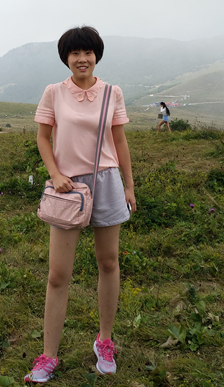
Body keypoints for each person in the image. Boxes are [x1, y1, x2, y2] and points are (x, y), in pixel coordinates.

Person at [25, 26, 137, 383]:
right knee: (58, 274)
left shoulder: (112, 93)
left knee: (109, 262)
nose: (82, 59)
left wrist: (129, 185)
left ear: (96, 55)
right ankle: (48, 356)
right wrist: (55, 174)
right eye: (75, 53)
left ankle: (104, 341)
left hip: (107, 181)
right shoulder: (54, 92)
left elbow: (120, 142)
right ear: (66, 58)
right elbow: (43, 137)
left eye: (88, 52)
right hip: (68, 187)